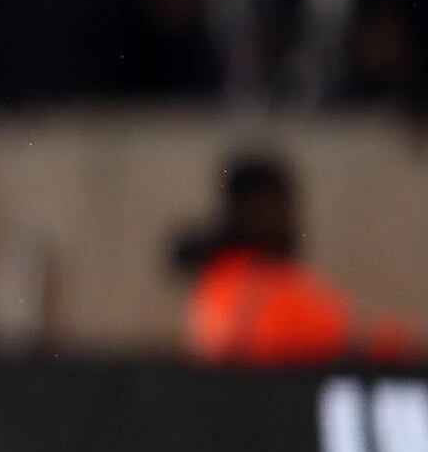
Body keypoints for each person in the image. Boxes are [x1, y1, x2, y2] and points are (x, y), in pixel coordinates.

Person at [178, 154, 419, 365]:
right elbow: (349, 337)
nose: (290, 220)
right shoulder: (259, 282)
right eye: (277, 206)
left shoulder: (216, 280)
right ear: (250, 210)